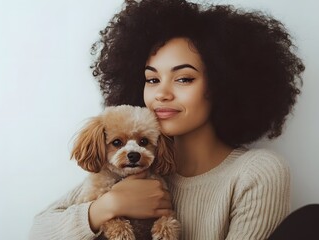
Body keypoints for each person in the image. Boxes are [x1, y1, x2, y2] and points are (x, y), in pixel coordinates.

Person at [30, 0, 305, 239]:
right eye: (152, 79)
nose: (161, 93)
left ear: (222, 84)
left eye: (184, 78)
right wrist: (107, 207)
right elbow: (39, 231)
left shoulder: (256, 173)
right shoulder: (129, 167)